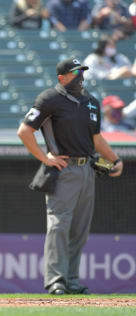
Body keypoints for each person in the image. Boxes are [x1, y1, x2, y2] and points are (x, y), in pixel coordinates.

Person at [17, 57, 123, 295]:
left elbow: (96, 139)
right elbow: (24, 131)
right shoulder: (49, 99)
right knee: (59, 226)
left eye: (82, 71)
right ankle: (56, 280)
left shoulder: (92, 103)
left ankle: (71, 279)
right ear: (61, 77)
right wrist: (45, 158)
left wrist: (115, 159)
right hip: (62, 169)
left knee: (79, 229)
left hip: (87, 169)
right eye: (75, 72)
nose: (81, 76)